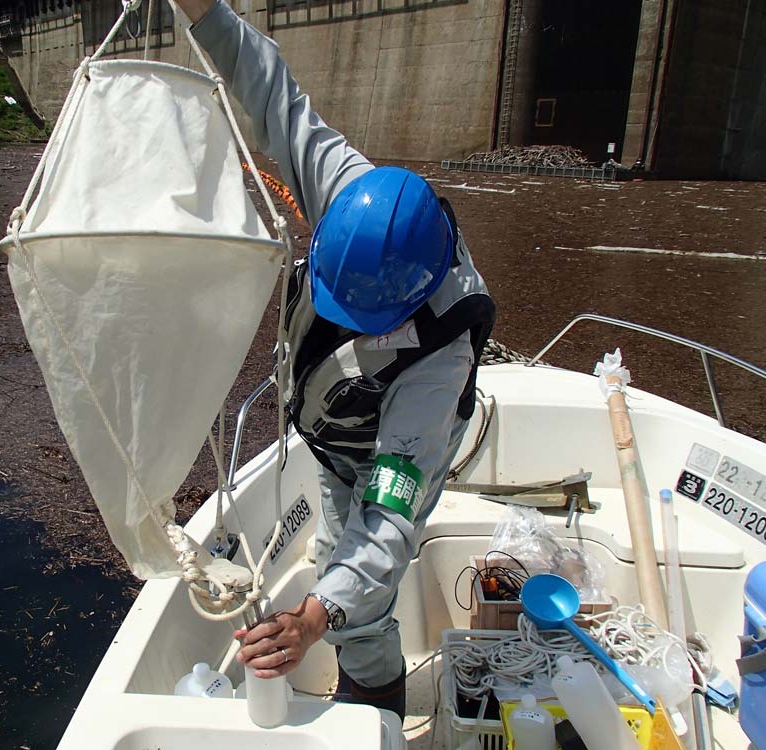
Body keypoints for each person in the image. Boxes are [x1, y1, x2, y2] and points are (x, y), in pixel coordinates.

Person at [173, 0, 495, 719]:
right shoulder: (356, 196)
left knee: (361, 590)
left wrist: (314, 620)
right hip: (331, 439)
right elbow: (271, 91)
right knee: (329, 558)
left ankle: (374, 695)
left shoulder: (437, 363)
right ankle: (353, 641)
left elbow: (388, 514)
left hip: (386, 455)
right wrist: (202, 11)